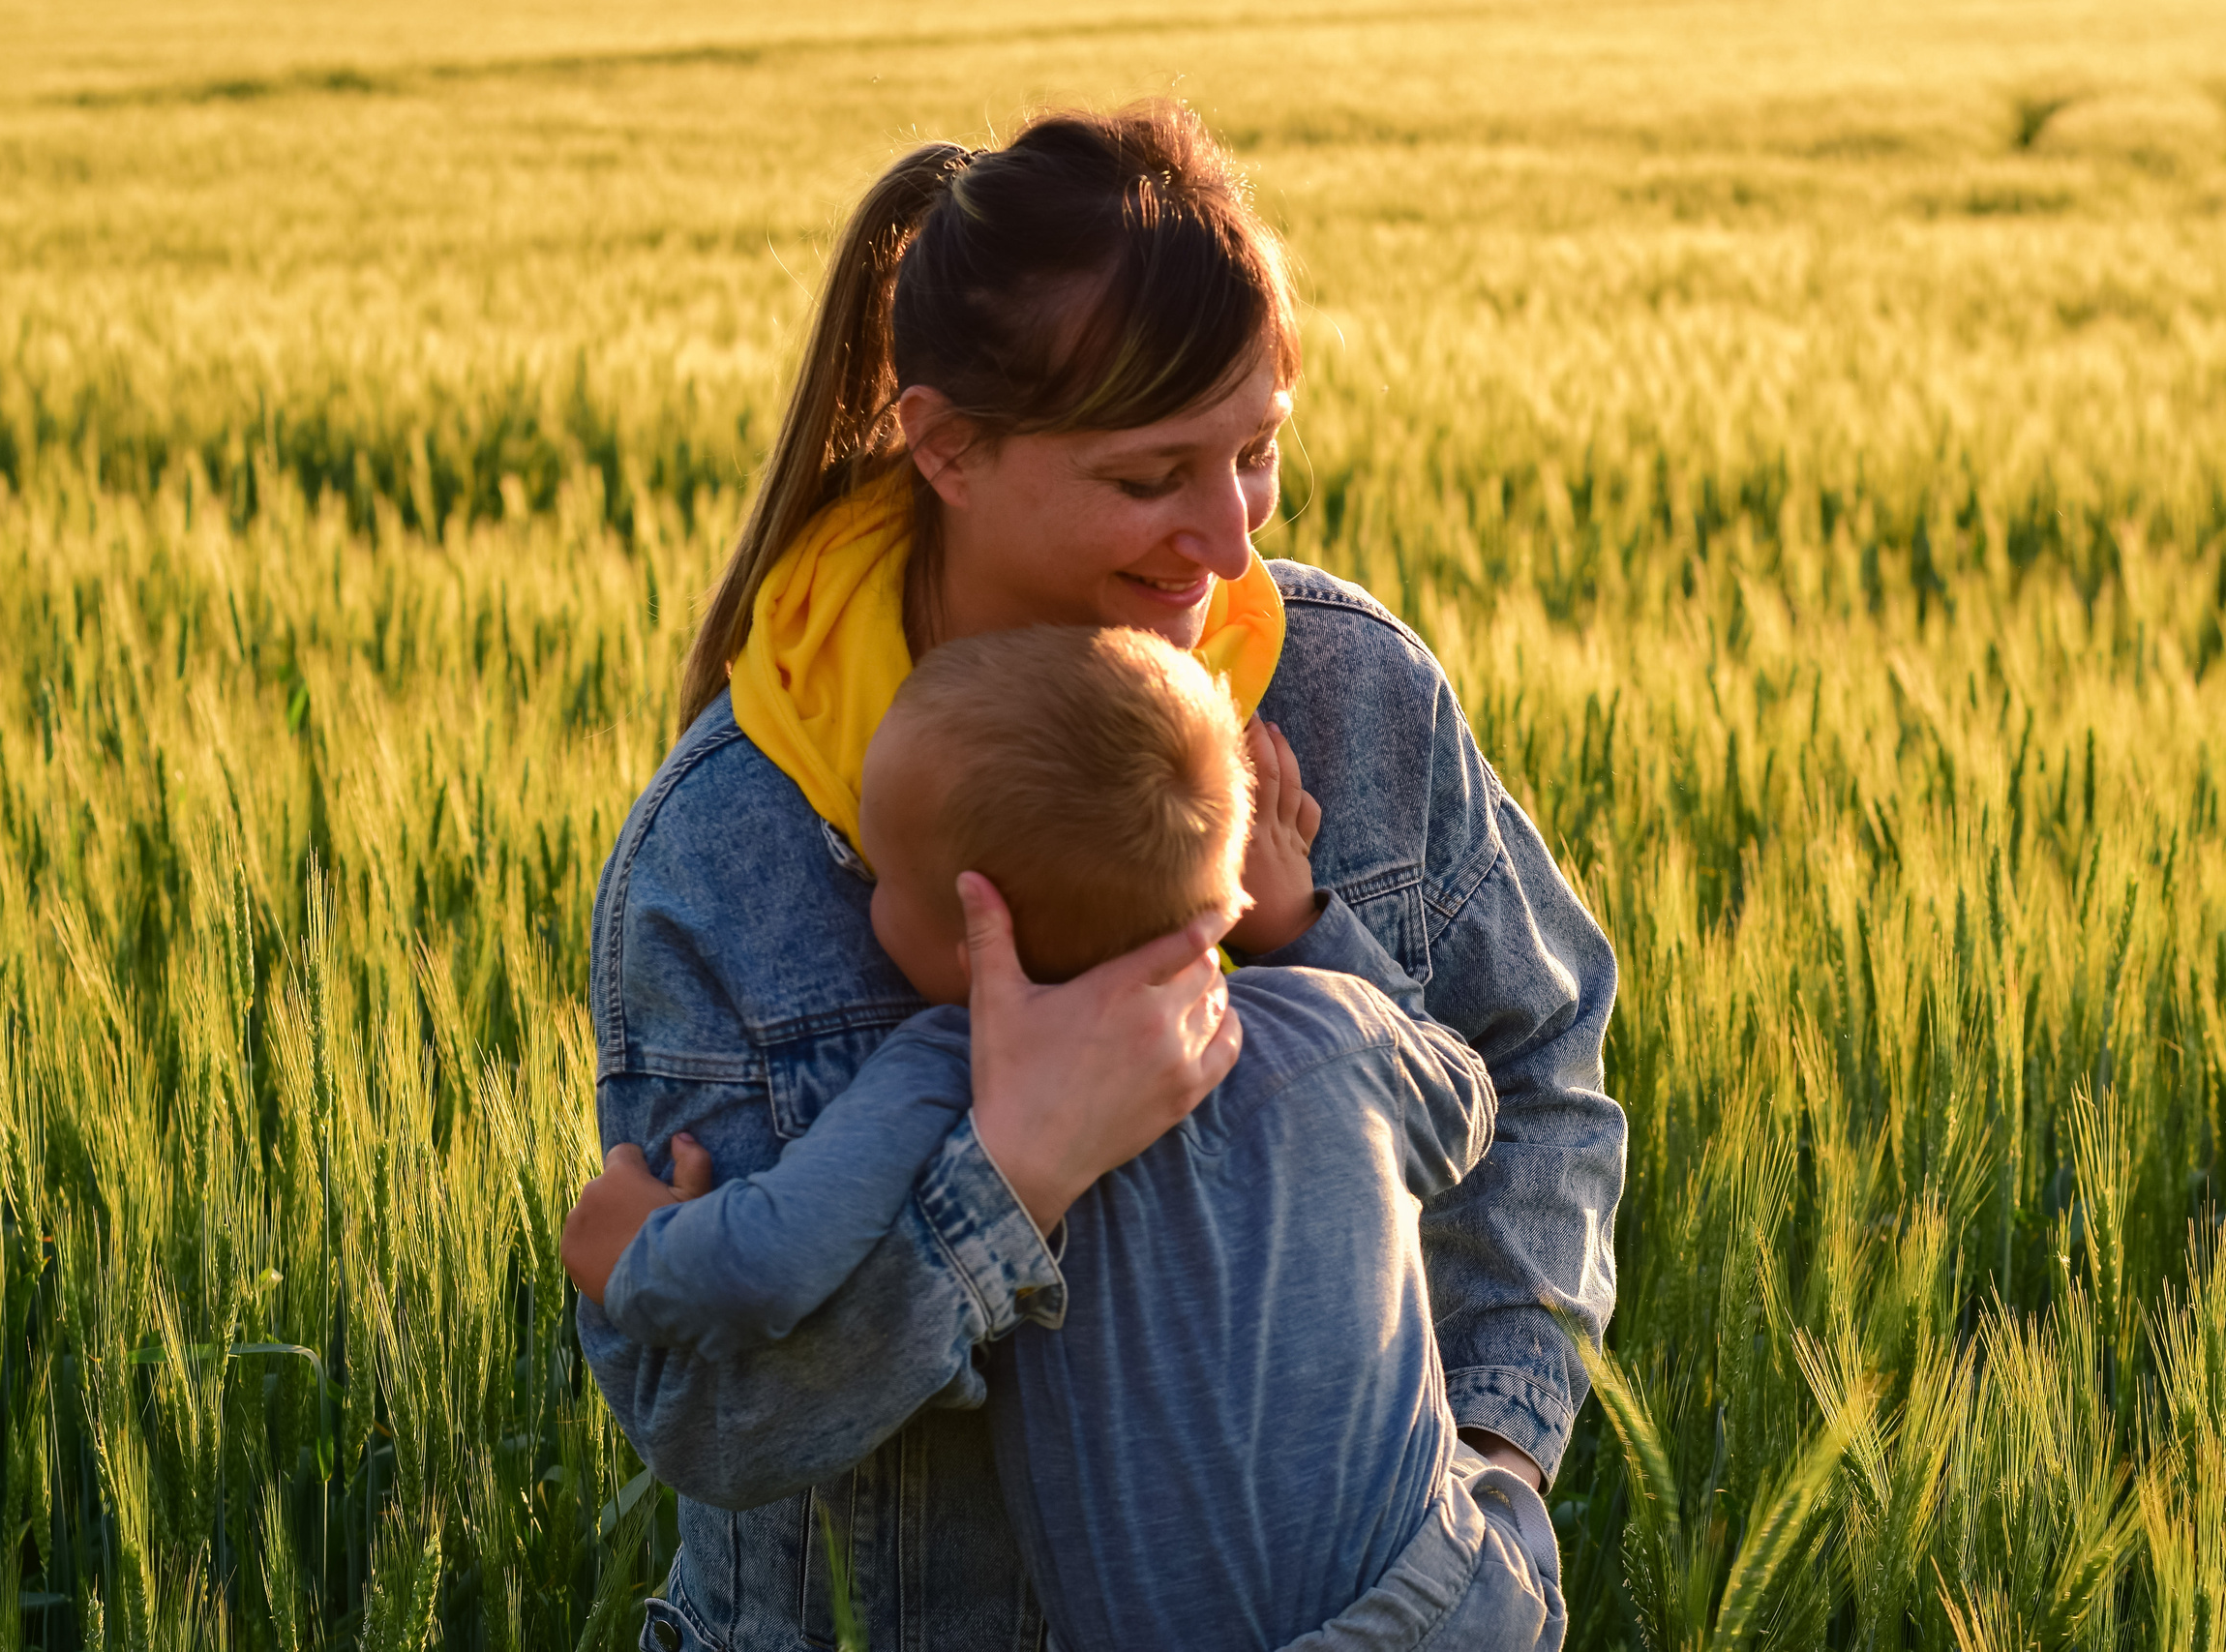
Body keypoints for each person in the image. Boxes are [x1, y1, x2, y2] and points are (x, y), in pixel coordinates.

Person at [579, 99, 1624, 1650]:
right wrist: (1011, 1175)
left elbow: (1531, 1067)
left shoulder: (1346, 692)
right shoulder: (736, 846)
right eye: (1151, 476)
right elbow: (718, 1422)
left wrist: (1484, 1473)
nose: (1225, 538)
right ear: (948, 445)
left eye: (1256, 452)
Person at [566, 625, 1568, 1651]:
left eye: (882, 878)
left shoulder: (945, 1070)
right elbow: (1471, 1101)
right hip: (1460, 1594)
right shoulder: (1335, 1025)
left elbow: (768, 1265)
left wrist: (633, 1252)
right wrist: (1295, 921)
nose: (865, 903)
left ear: (973, 931)